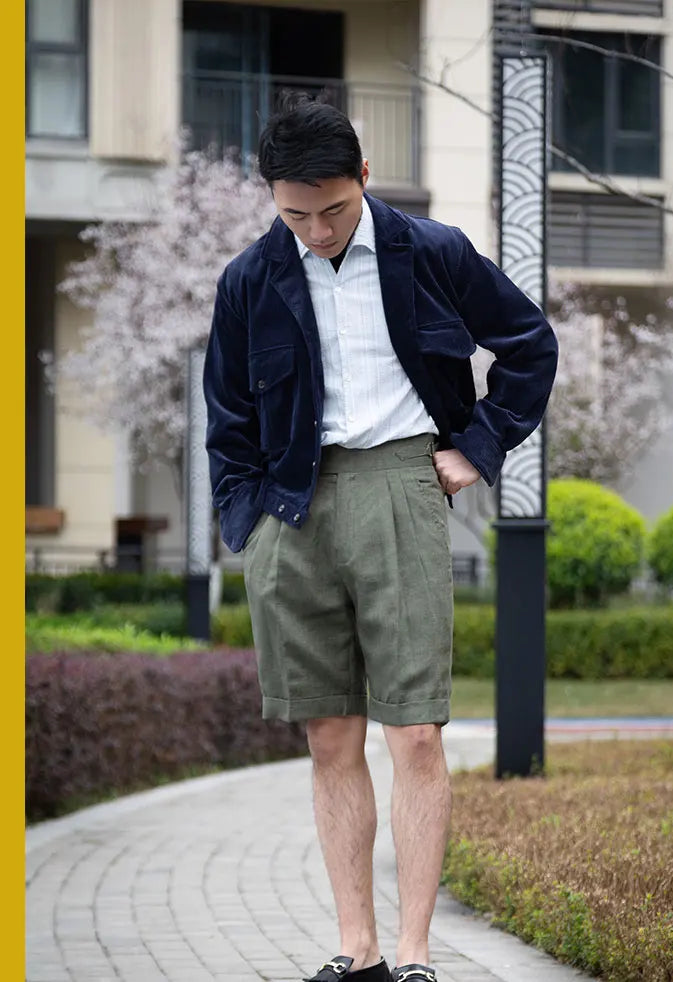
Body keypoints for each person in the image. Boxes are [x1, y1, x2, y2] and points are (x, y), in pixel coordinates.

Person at [203, 96, 558, 982]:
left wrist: (476, 448)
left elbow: (528, 344)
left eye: (332, 209)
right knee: (330, 736)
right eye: (295, 215)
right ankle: (355, 951)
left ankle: (413, 954)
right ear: (271, 200)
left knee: (417, 737)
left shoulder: (430, 253)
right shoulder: (249, 281)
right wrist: (242, 521)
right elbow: (227, 419)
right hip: (291, 508)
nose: (316, 230)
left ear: (364, 177)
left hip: (400, 482)